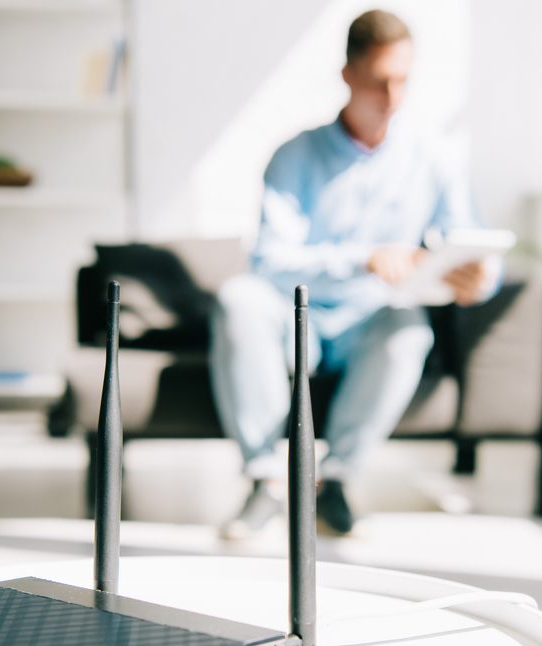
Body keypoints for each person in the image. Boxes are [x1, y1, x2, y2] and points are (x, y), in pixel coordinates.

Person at [211, 9, 499, 539]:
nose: (391, 97)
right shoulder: (293, 156)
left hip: (371, 322)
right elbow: (270, 262)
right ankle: (267, 480)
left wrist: (481, 278)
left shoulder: (435, 157)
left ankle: (335, 482)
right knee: (239, 297)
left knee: (409, 326)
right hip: (296, 320)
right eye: (378, 81)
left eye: (403, 81)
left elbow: (472, 240)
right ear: (348, 75)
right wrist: (362, 257)